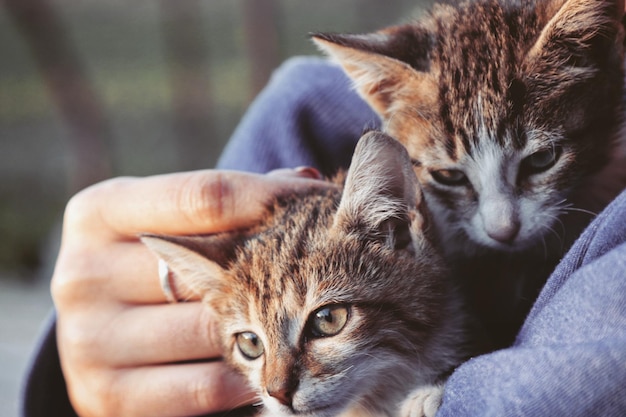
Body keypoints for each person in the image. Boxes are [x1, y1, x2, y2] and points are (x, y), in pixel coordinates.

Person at [22, 56, 626, 417]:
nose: (277, 387)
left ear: (395, 232)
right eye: (252, 349)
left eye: (325, 321)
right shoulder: (309, 110)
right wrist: (73, 370)